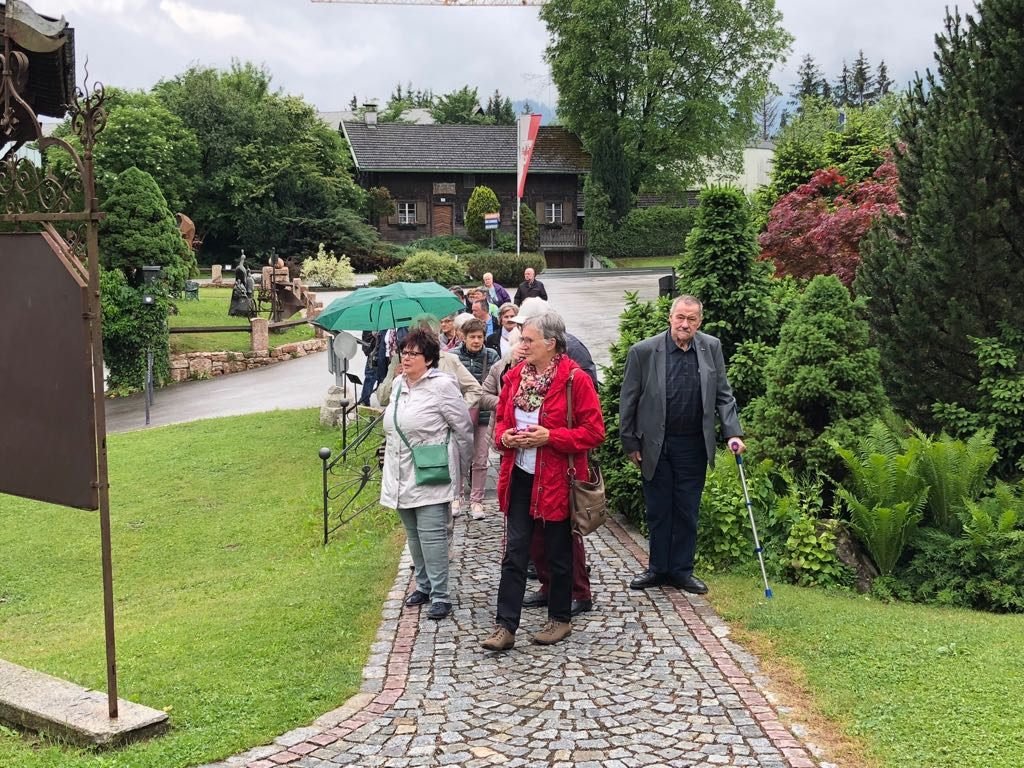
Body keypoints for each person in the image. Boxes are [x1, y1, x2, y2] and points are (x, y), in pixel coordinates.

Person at [481, 311, 605, 652]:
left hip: (557, 481)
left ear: (550, 344)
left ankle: (560, 619)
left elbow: (594, 432)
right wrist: (507, 439)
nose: (522, 346)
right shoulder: (516, 376)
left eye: (528, 340)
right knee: (515, 552)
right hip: (520, 476)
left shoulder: (573, 380)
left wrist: (549, 437)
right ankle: (505, 626)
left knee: (558, 552)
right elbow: (503, 420)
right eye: (522, 340)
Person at [619, 295, 746, 595]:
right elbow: (629, 400)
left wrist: (733, 433)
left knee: (687, 509)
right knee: (659, 509)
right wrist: (630, 442)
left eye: (691, 319)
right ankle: (657, 569)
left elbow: (723, 395)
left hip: (693, 444)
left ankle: (681, 571)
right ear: (670, 317)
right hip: (655, 444)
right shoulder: (645, 351)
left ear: (699, 322)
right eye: (680, 317)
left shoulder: (710, 347)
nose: (685, 324)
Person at [380, 327, 474, 621]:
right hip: (400, 471)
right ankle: (422, 585)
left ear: (430, 359)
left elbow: (463, 430)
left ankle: (441, 595)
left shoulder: (442, 386)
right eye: (404, 352)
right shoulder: (398, 384)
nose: (406, 357)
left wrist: (461, 472)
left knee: (432, 536)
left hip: (431, 472)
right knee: (413, 535)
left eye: (413, 353)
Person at [453, 318, 500, 520]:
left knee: (480, 458)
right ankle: (456, 497)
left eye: (479, 337)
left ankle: (477, 501)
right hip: (460, 414)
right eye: (472, 337)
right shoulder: (453, 356)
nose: (476, 341)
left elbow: (497, 382)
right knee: (458, 457)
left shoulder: (491, 356)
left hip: (483, 414)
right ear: (464, 337)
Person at [512, 297, 597, 387]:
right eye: (520, 325)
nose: (523, 330)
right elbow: (508, 388)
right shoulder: (521, 347)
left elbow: (590, 387)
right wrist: (513, 364)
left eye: (526, 324)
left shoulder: (573, 348)